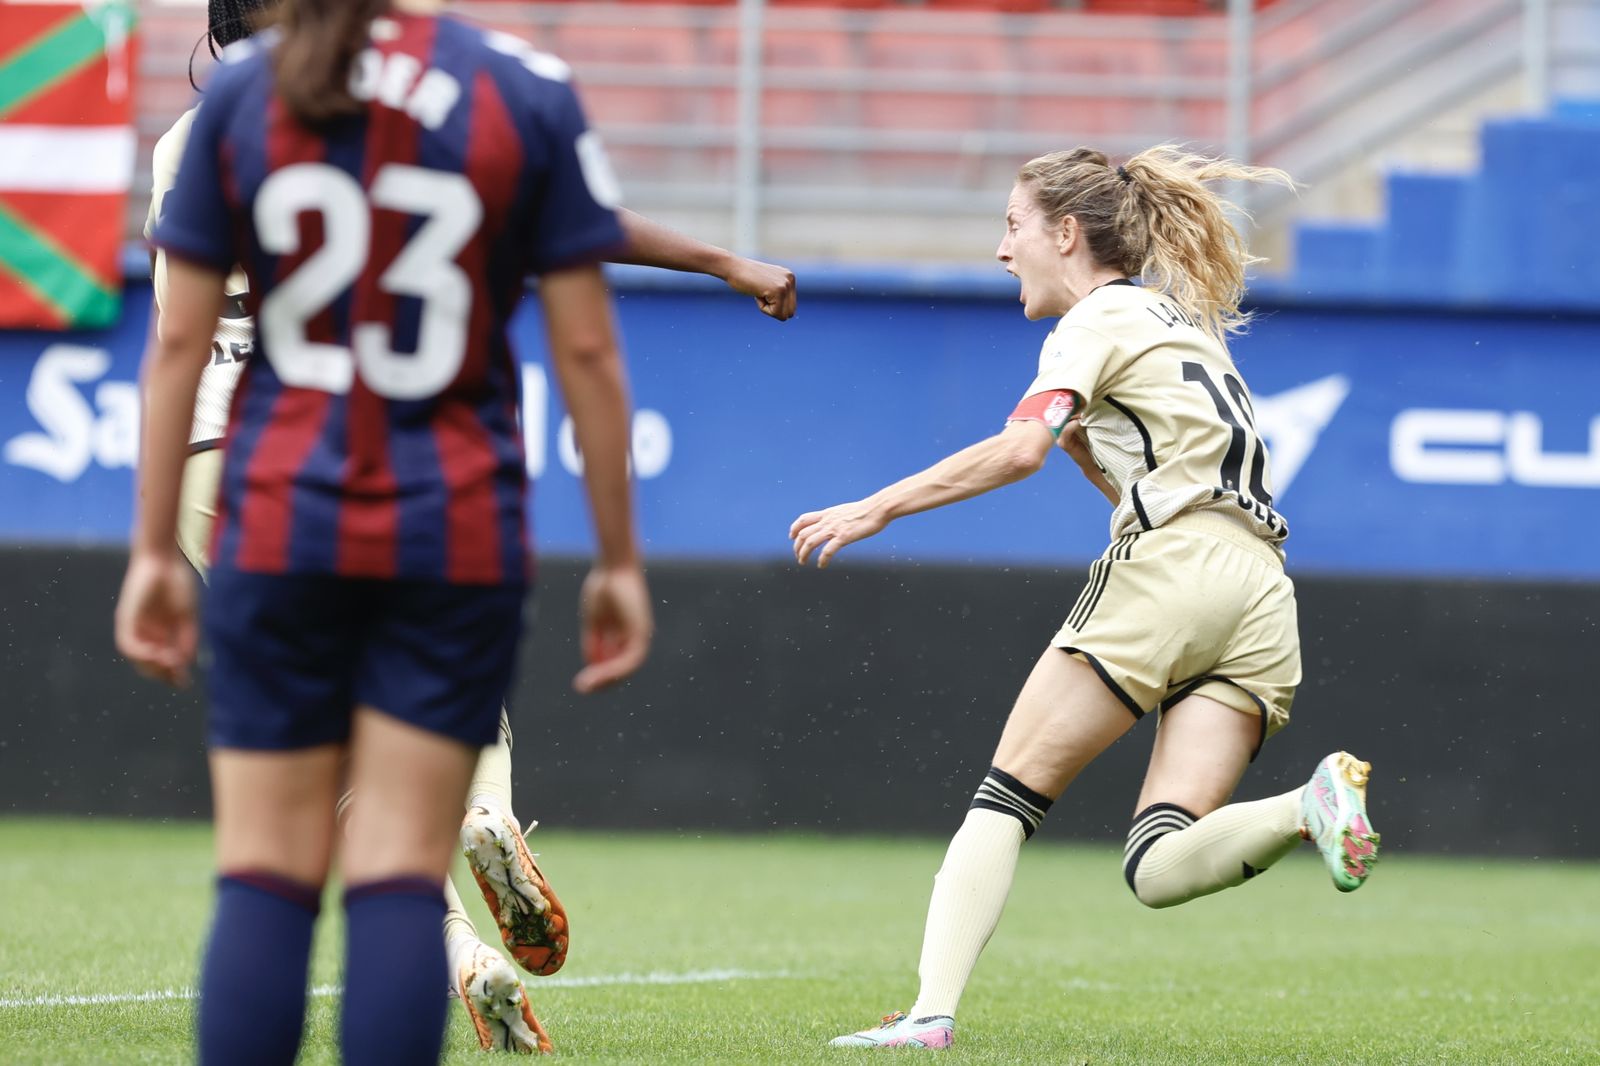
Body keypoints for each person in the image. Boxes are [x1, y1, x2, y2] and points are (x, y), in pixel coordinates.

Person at [144, 1, 796, 1054]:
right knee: (402, 843)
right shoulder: (506, 83)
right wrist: (620, 555)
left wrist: (144, 552)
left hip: (255, 466)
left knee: (269, 861)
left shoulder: (219, 117)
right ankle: (479, 813)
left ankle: (461, 938)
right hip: (433, 475)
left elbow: (177, 342)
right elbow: (586, 339)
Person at [790, 146, 1381, 1050]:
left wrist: (877, 506)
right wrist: (1086, 452)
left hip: (1174, 568)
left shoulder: (1095, 319)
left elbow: (1019, 449)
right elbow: (1132, 459)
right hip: (1263, 592)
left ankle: (929, 1015)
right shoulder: (1180, 324)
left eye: (1013, 225)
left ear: (1066, 233)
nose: (1001, 249)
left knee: (1006, 797)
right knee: (1157, 861)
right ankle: (1305, 808)